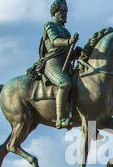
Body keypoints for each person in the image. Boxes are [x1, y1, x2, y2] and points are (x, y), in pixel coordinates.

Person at [41, 0, 80, 129]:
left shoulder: (65, 31)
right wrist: (69, 41)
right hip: (52, 62)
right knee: (65, 83)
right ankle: (61, 119)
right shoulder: (50, 25)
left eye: (66, 11)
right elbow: (55, 41)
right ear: (54, 12)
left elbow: (70, 52)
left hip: (65, 64)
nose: (65, 14)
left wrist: (80, 52)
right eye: (62, 11)